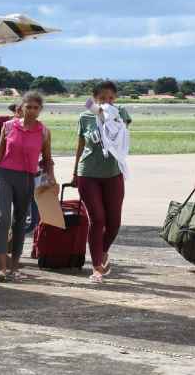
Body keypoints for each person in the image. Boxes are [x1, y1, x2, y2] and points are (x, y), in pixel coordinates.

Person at [0, 91, 55, 281]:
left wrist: (51, 178)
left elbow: (47, 159)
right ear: (20, 108)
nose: (31, 111)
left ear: (40, 110)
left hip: (27, 178)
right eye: (28, 107)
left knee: (20, 222)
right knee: (2, 218)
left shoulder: (44, 132)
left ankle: (14, 266)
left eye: (35, 108)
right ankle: (2, 267)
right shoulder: (8, 126)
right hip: (3, 175)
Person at [71, 81, 131, 283]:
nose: (107, 101)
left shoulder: (120, 113)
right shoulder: (85, 116)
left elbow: (122, 132)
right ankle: (97, 266)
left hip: (113, 173)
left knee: (114, 222)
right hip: (88, 173)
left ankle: (103, 250)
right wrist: (74, 171)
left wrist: (108, 115)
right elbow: (81, 145)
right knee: (97, 219)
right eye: (102, 98)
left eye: (111, 98)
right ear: (95, 98)